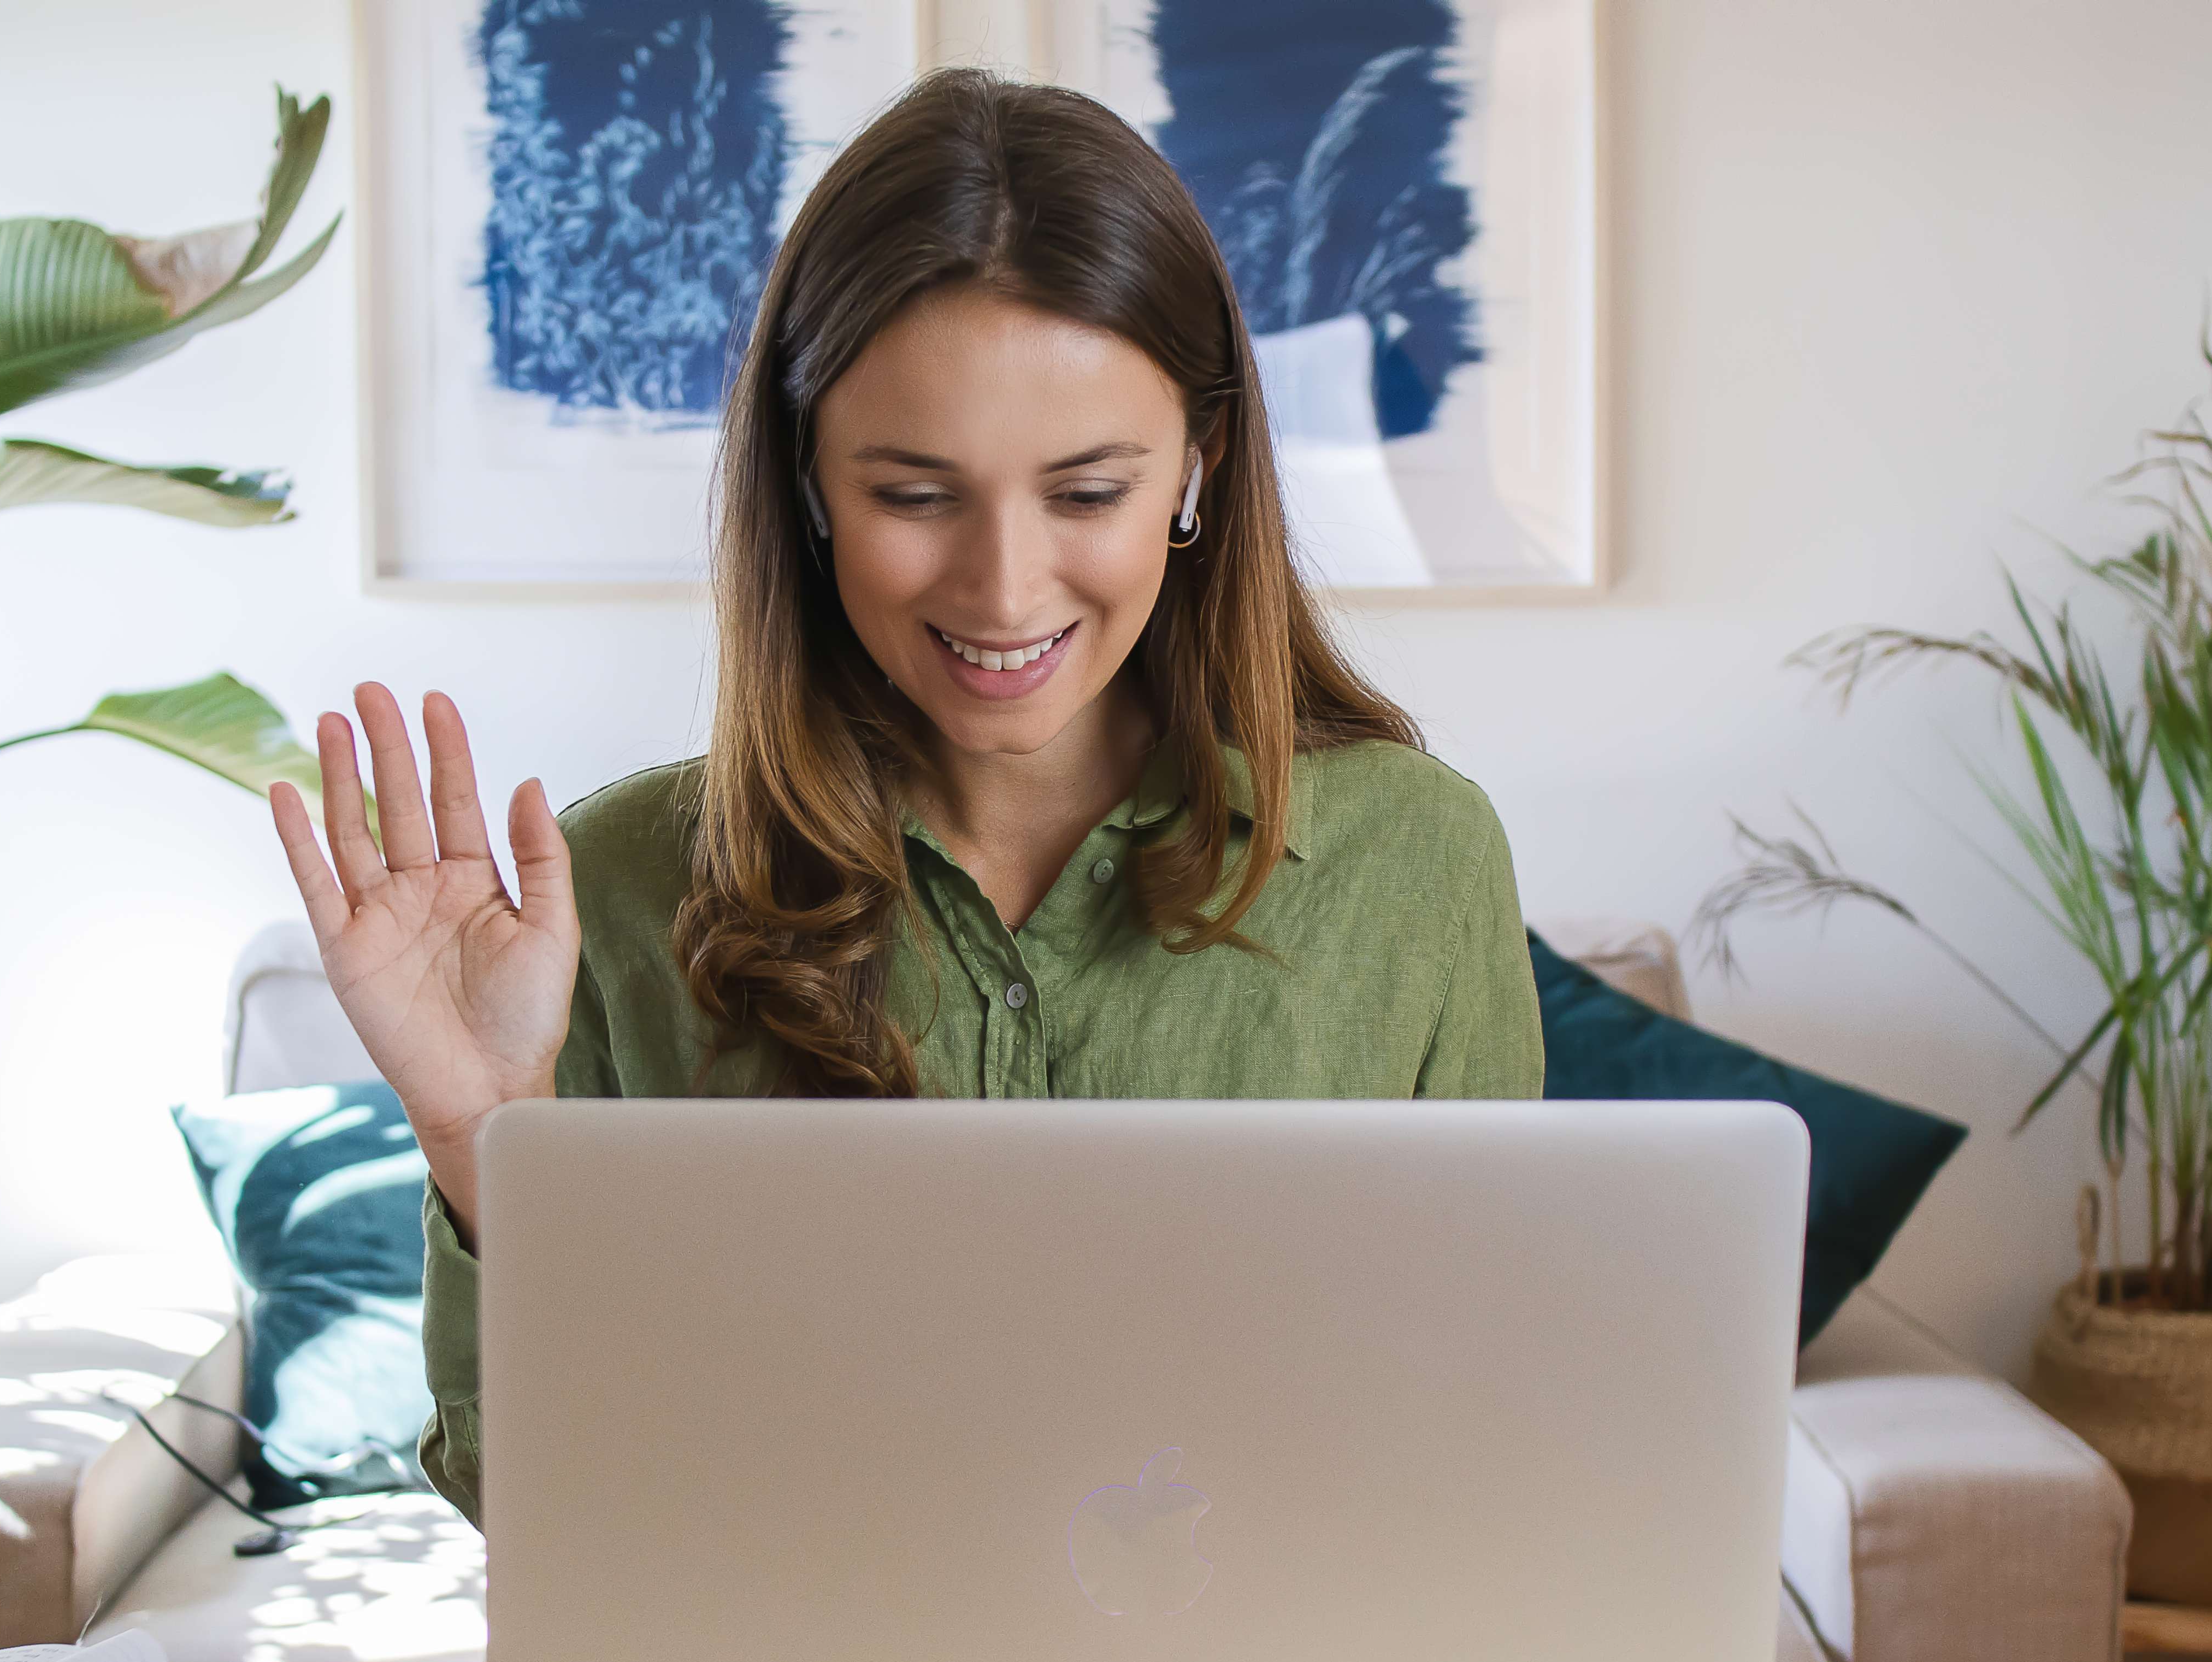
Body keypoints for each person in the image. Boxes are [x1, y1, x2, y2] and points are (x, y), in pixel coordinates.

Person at [268, 69, 1541, 1523]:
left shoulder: (1416, 862)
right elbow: (555, 1519)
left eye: (1086, 493)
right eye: (916, 496)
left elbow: (1477, 1450)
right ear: (807, 483)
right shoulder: (610, 898)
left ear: (1200, 467)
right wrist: (490, 1140)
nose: (1004, 589)